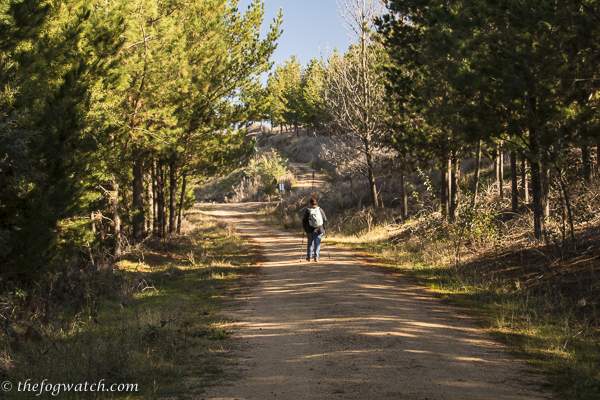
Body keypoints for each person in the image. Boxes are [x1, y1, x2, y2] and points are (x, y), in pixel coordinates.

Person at [302, 197, 327, 262]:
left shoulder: (308, 210)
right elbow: (325, 219)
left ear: (310, 203)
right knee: (317, 243)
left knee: (310, 242)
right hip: (319, 229)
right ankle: (316, 257)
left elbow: (304, 220)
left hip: (309, 229)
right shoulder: (320, 210)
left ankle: (309, 257)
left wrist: (304, 227)